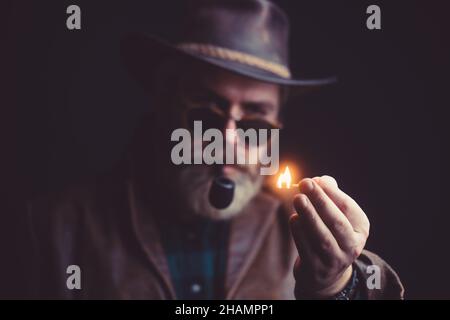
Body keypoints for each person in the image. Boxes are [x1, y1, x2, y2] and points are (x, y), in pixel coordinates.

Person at [23, 0, 404, 299]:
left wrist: (337, 285)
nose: (228, 140)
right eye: (206, 113)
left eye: (255, 122)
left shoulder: (300, 238)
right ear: (163, 100)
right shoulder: (53, 233)